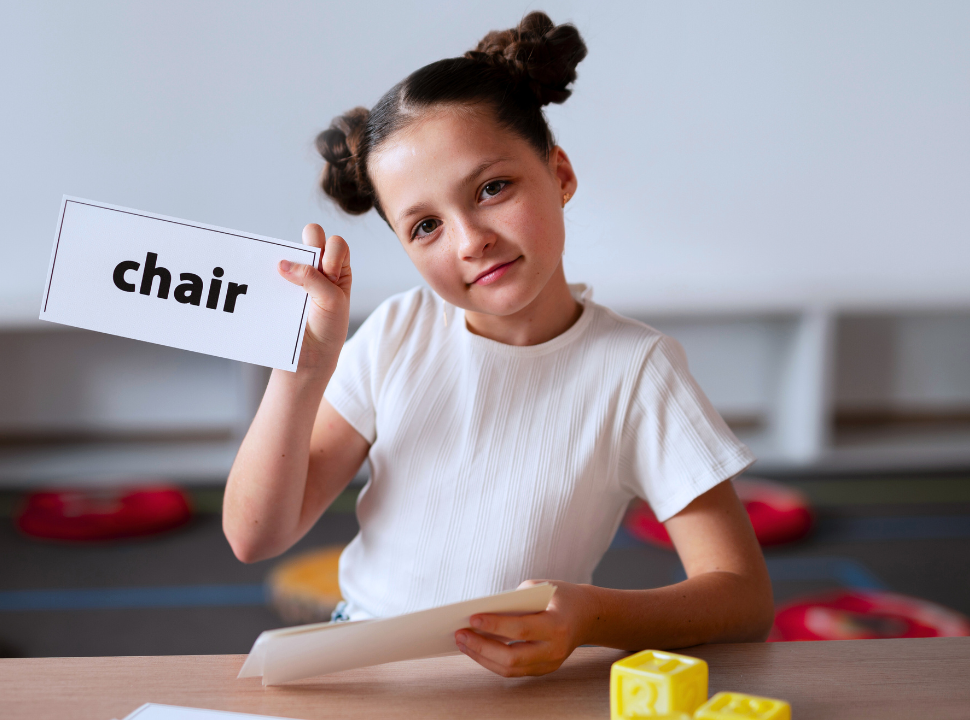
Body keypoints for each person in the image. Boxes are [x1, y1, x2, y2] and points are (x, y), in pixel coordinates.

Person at [222, 11, 773, 678]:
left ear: (560, 174)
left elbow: (742, 597)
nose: (469, 239)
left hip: (523, 685)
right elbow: (255, 536)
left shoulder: (637, 371)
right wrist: (303, 370)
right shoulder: (397, 333)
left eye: (492, 189)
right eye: (425, 226)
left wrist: (594, 616)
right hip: (362, 667)